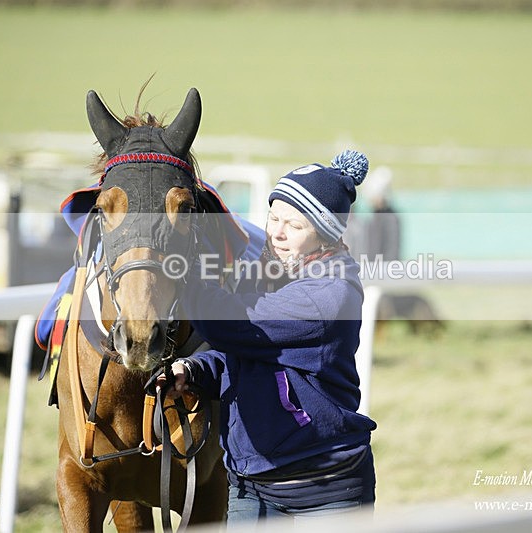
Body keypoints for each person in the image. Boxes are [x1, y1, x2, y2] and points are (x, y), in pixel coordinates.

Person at [160, 150, 377, 527]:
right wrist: (193, 371)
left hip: (325, 487)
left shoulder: (330, 293)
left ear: (325, 234)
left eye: (293, 225)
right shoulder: (270, 274)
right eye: (273, 217)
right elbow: (250, 355)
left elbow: (234, 324)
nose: (276, 232)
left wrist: (182, 273)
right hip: (252, 484)